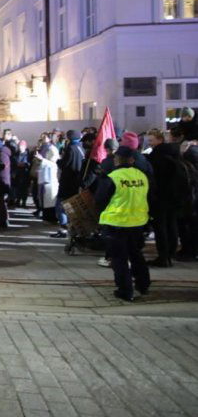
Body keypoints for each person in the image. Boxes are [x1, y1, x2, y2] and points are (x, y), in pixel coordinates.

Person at [95, 146, 150, 301]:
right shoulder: (142, 176)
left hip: (116, 223)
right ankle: (143, 285)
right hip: (137, 222)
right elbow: (149, 196)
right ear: (132, 160)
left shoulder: (112, 177)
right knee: (136, 255)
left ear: (116, 159)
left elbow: (100, 200)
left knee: (119, 259)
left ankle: (125, 291)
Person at [145, 129, 189, 268]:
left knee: (161, 227)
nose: (150, 143)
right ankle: (170, 254)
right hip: (176, 197)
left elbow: (154, 178)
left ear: (159, 140)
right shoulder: (176, 153)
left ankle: (163, 256)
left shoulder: (157, 156)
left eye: (151, 140)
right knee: (172, 225)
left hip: (161, 197)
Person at [53, 130, 85, 238]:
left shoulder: (71, 149)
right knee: (71, 207)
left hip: (67, 182)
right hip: (76, 182)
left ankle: (64, 229)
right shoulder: (81, 147)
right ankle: (72, 229)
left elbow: (65, 164)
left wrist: (58, 161)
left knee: (61, 206)